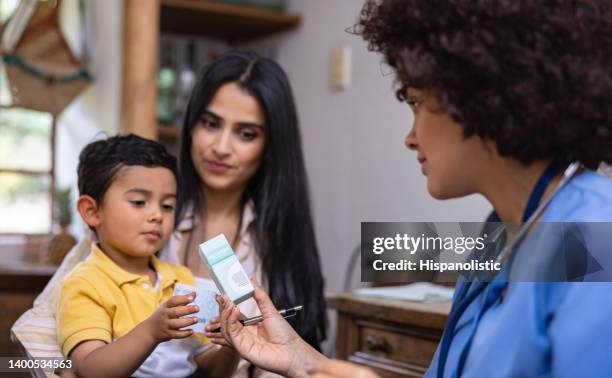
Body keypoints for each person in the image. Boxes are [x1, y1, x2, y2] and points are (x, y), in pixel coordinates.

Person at [211, 1, 612, 377]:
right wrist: (304, 361)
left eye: (417, 102)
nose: (410, 137)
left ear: (481, 98)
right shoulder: (501, 233)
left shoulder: (596, 233)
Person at [158, 50, 328, 377]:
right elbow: (47, 322)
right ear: (191, 125)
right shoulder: (144, 209)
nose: (221, 147)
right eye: (211, 124)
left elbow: (296, 357)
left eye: (246, 134)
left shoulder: (279, 243)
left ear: (270, 146)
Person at [56, 134, 207, 378]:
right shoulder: (85, 283)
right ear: (92, 211)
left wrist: (232, 346)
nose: (157, 215)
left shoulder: (182, 278)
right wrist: (150, 331)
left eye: (167, 206)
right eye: (139, 202)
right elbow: (89, 369)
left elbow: (204, 365)